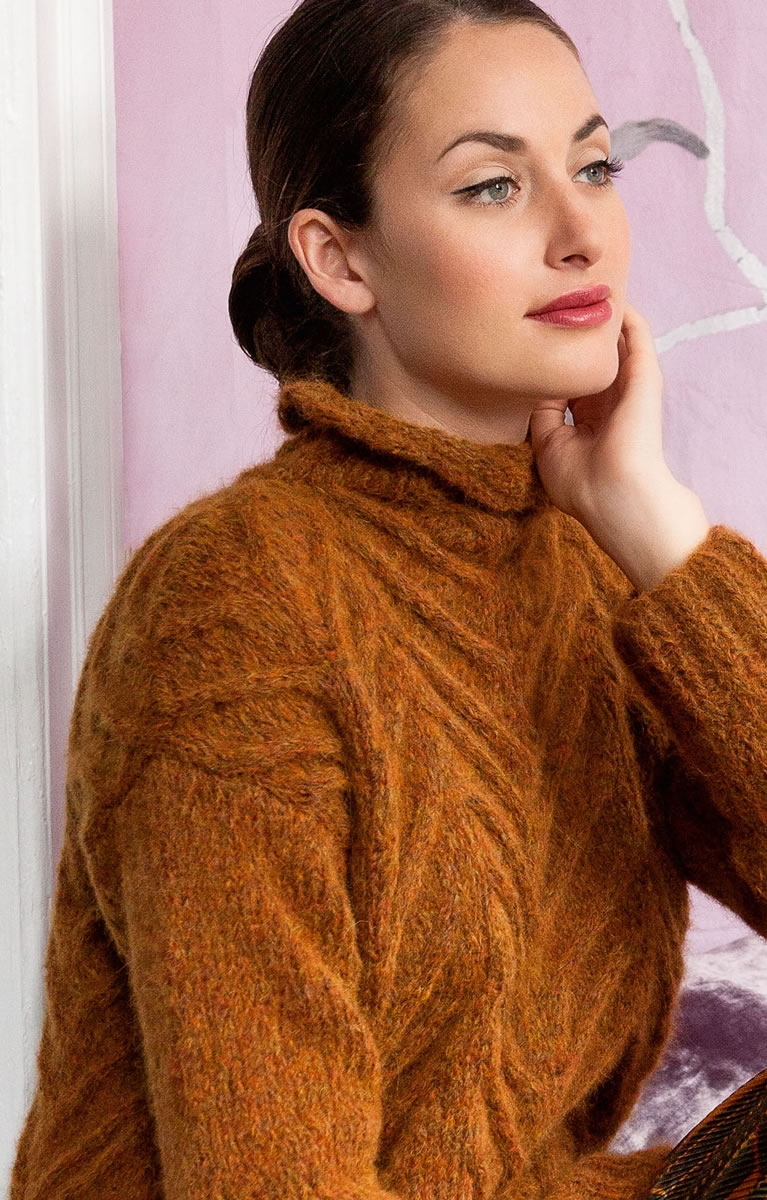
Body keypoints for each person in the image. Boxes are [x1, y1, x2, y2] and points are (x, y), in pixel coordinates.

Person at [10, 2, 767, 1197]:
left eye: (592, 168)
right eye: (492, 187)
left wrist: (658, 531)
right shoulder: (238, 601)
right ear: (339, 259)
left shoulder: (586, 571)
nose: (582, 234)